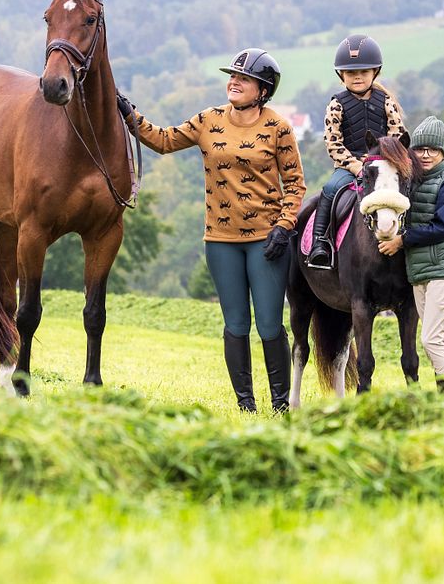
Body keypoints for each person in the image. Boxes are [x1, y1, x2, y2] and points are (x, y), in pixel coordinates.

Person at [116, 47, 305, 413]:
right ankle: (245, 406)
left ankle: (280, 405)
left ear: (263, 90)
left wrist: (284, 227)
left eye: (243, 78)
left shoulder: (278, 127)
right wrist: (129, 113)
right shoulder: (208, 120)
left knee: (268, 325)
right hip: (220, 242)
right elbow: (164, 140)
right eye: (232, 76)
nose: (233, 82)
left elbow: (295, 184)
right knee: (235, 323)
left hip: (267, 241)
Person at [376, 116, 444, 392]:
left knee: (429, 339)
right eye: (420, 149)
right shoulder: (412, 182)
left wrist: (401, 241)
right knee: (439, 337)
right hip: (421, 271)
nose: (425, 155)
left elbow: (443, 227)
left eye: (433, 150)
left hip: (443, 270)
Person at [310, 33, 407, 267]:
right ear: (341, 75)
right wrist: (355, 166)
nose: (357, 77)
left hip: (383, 163)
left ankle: (411, 236)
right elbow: (333, 143)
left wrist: (385, 160)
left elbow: (397, 133)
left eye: (363, 72)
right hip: (349, 164)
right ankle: (320, 242)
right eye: (351, 73)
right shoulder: (336, 104)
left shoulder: (386, 101)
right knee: (330, 189)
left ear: (375, 72)